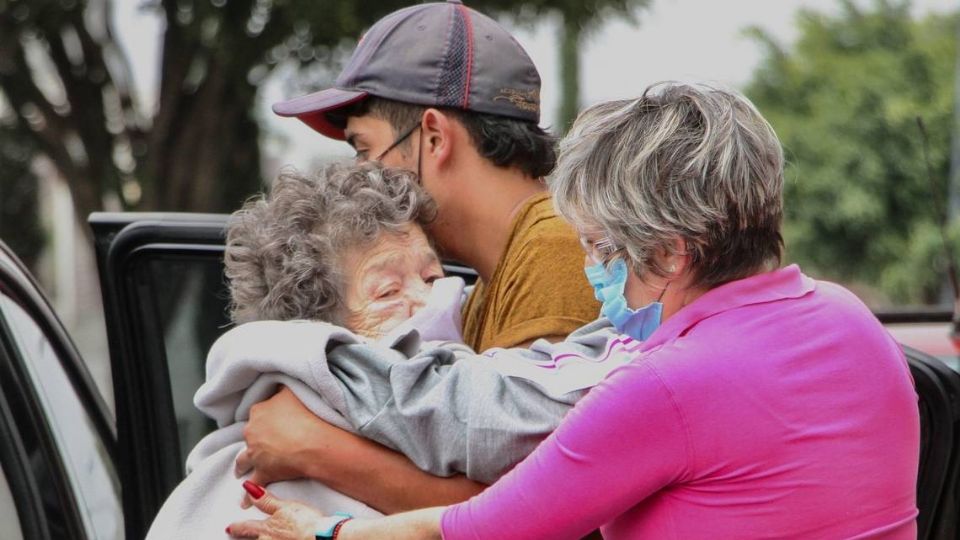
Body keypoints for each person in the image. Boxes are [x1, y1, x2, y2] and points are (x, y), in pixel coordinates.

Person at [226, 83, 920, 539]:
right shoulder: (848, 319)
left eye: (597, 247)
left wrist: (321, 530)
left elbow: (478, 530)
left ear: (673, 253)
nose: (592, 271)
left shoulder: (668, 384)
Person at [241, 0, 601, 513]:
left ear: (434, 137)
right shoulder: (489, 277)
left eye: (365, 150)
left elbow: (534, 510)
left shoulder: (556, 251)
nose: (363, 178)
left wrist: (313, 449)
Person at [148, 161, 623, 538]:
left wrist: (320, 451)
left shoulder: (460, 391)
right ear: (317, 330)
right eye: (387, 292)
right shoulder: (306, 406)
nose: (428, 298)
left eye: (433, 276)